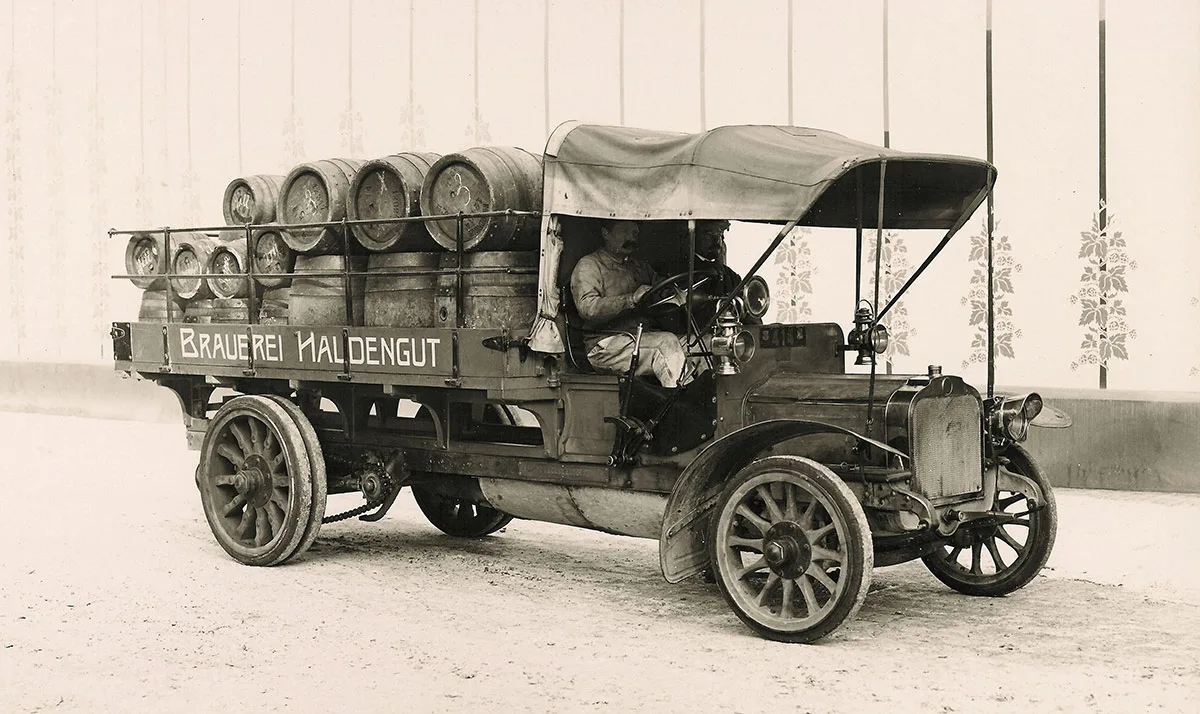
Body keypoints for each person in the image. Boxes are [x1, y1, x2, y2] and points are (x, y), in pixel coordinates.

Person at [570, 220, 697, 388]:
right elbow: (588, 308)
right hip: (605, 345)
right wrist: (631, 300)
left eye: (635, 233)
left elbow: (663, 290)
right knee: (666, 343)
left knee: (700, 343)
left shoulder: (640, 267)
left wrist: (679, 294)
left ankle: (708, 410)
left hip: (641, 338)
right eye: (624, 231)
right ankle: (680, 409)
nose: (631, 237)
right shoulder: (589, 265)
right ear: (605, 234)